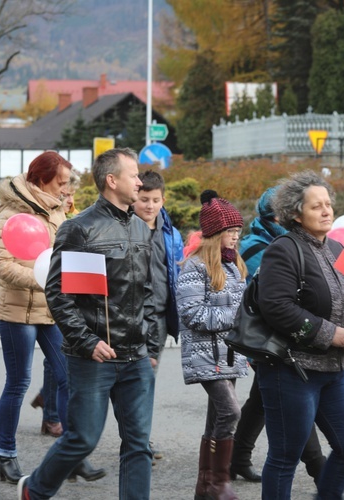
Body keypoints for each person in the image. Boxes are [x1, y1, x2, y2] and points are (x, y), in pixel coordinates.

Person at [18, 147, 157, 500]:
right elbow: (60, 294)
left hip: (136, 356)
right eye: (134, 175)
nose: (140, 181)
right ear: (112, 181)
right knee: (83, 439)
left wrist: (151, 342)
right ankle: (35, 489)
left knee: (139, 444)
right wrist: (87, 341)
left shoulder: (142, 228)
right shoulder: (80, 229)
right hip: (94, 356)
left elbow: (149, 291)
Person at [0, 151, 104, 485]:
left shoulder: (59, 212)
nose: (66, 189)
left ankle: (71, 456)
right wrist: (44, 281)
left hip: (52, 312)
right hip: (17, 312)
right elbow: (0, 264)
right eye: (62, 182)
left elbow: (66, 257)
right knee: (19, 382)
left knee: (68, 377)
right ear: (42, 180)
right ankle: (6, 456)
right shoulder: (12, 212)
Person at [256, 170, 344, 499]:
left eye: (328, 204)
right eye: (316, 206)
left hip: (333, 369)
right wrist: (330, 334)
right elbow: (276, 307)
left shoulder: (336, 248)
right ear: (295, 213)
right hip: (291, 370)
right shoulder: (283, 249)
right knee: (285, 456)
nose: (326, 211)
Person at [230, 187, 326, 484]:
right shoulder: (260, 247)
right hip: (267, 339)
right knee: (294, 400)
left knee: (262, 399)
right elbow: (276, 302)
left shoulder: (290, 244)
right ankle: (320, 470)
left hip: (285, 338)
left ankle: (236, 458)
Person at [178, 189, 249, 500]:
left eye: (237, 231)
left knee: (217, 416)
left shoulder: (233, 266)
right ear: (214, 233)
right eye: (229, 231)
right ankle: (220, 482)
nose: (234, 237)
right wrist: (237, 316)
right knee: (231, 412)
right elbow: (192, 313)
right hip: (206, 356)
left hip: (230, 354)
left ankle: (206, 486)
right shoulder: (194, 267)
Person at [132, 170, 184, 462]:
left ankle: (141, 440)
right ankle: (137, 440)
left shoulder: (170, 233)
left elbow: (172, 273)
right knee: (136, 380)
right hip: (133, 316)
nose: (149, 205)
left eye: (155, 200)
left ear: (163, 200)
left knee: (147, 381)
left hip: (161, 318)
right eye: (143, 199)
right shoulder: (126, 228)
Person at [30, 169, 83, 439]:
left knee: (58, 361)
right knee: (57, 362)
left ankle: (47, 405)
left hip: (64, 297)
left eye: (73, 194)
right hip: (45, 297)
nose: (70, 198)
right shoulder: (43, 215)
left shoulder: (67, 214)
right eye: (66, 193)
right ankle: (51, 415)